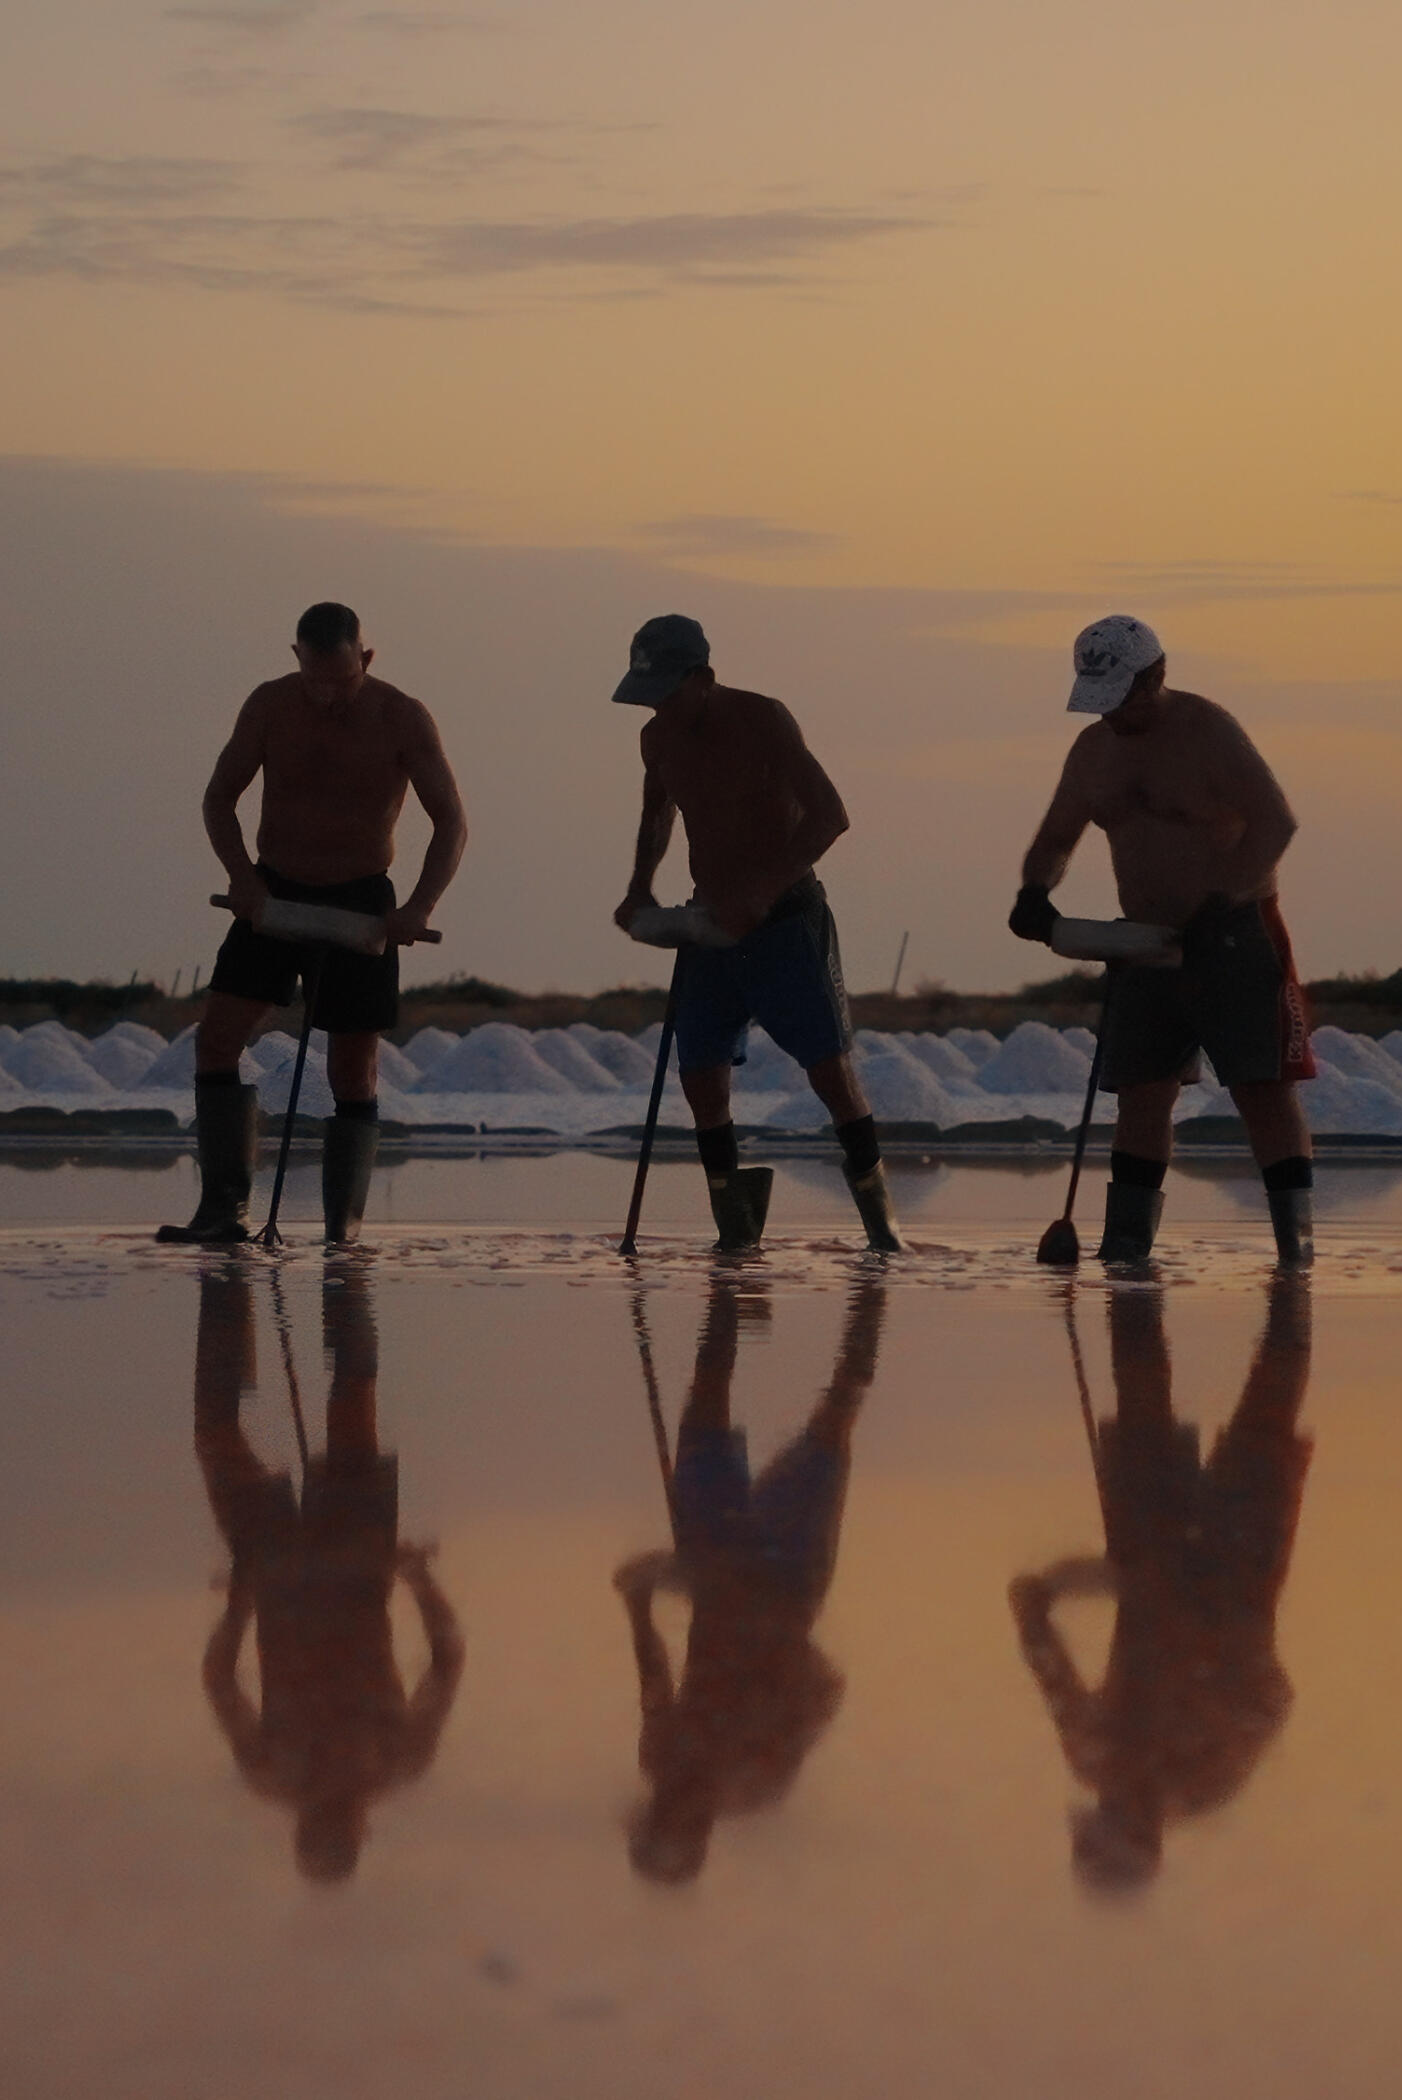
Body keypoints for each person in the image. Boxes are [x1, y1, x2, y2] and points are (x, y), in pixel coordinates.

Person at [1006, 613, 1317, 1265]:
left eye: (1123, 695)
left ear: (1155, 676)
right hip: (1142, 944)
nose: (1113, 713)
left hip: (1232, 933)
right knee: (1141, 1091)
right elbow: (1057, 836)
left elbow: (1274, 823)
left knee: (1260, 1089)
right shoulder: (1093, 751)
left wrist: (1221, 897)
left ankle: (1295, 1245)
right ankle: (1125, 1248)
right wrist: (1034, 891)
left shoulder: (1207, 732)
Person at [160, 602, 469, 1245]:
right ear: (295, 658)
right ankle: (222, 1211)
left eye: (343, 679)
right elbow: (220, 797)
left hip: (362, 903)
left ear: (366, 659)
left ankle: (342, 1229)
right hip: (274, 894)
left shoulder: (401, 716)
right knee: (217, 1041)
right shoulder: (270, 705)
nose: (328, 695)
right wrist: (242, 877)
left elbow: (451, 822)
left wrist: (417, 908)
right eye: (315, 679)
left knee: (352, 1073)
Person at [1009, 1275, 1313, 1894]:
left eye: (1103, 1820)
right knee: (1271, 1399)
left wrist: (1046, 1599)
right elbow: (1274, 1698)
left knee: (1141, 1390)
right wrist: (1221, 1649)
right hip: (1238, 1568)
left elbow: (1047, 1656)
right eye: (1117, 1824)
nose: (1114, 1807)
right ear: (1145, 1837)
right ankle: (1291, 1259)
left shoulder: (1097, 1760)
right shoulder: (1206, 1781)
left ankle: (1135, 1256)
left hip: (1153, 1549)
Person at [609, 613, 900, 1253]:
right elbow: (657, 815)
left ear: (704, 678)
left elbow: (830, 816)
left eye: (668, 692)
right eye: (648, 695)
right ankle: (735, 1232)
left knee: (830, 1073)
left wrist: (762, 891)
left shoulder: (764, 719)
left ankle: (881, 1228)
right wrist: (639, 888)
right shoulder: (656, 739)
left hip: (787, 919)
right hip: (708, 925)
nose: (659, 708)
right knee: (701, 1079)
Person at [193, 1260, 463, 1882]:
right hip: (353, 1575)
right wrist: (419, 1580)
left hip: (277, 1578)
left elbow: (220, 1682)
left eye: (315, 1830)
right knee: (350, 1409)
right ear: (361, 1834)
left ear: (299, 1833)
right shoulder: (397, 1763)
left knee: (217, 1435)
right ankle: (350, 1272)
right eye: (334, 1831)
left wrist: (241, 1601)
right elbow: (446, 1662)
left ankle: (226, 1289)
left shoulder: (272, 1774)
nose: (326, 1815)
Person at [614, 1278, 882, 1883]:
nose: (662, 1804)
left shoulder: (661, 1764)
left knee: (704, 1407)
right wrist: (774, 1641)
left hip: (711, 1565)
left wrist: (637, 1604)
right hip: (788, 1574)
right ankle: (873, 1291)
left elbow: (656, 1684)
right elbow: (825, 1690)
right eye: (666, 1819)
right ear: (694, 1831)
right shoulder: (758, 1782)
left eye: (654, 1814)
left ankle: (728, 1288)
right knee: (837, 1414)